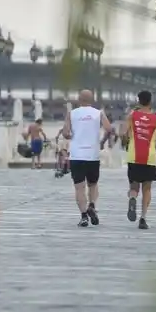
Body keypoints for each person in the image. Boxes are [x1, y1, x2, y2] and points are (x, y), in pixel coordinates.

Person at [64, 89, 111, 227]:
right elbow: (109, 129)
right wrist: (102, 142)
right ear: (92, 100)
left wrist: (72, 136)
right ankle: (91, 205)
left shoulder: (71, 114)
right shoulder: (98, 113)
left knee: (79, 187)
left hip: (77, 155)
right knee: (93, 184)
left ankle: (84, 216)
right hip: (93, 155)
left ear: (79, 100)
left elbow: (66, 133)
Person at [125, 91, 156, 229]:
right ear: (150, 101)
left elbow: (122, 133)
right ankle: (143, 218)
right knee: (147, 188)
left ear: (138, 101)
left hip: (133, 156)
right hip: (149, 157)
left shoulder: (132, 116)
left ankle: (132, 198)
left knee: (134, 185)